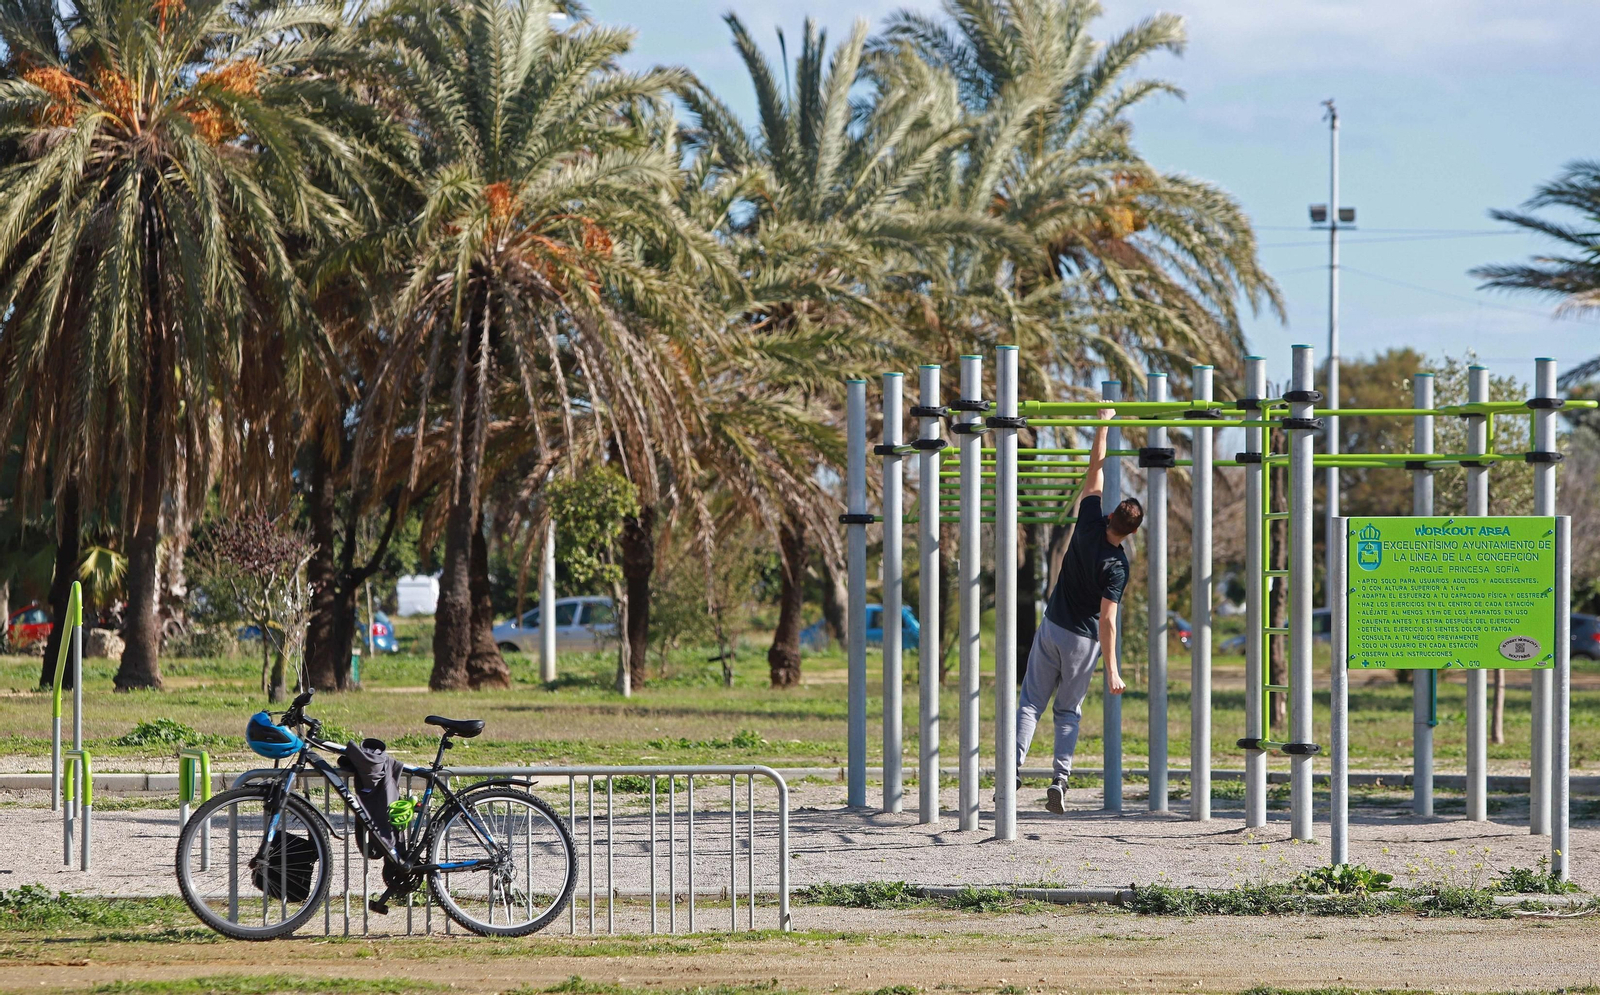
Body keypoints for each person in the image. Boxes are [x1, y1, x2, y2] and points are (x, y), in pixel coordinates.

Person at [1016, 407, 1144, 814]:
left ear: (1110, 514)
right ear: (1131, 533)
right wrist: (1112, 669)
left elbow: (1096, 469)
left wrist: (1103, 422)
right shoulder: (1118, 566)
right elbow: (1107, 620)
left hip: (1053, 626)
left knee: (1030, 704)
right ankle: (1060, 778)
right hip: (1083, 642)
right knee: (1067, 710)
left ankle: (1013, 769)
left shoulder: (1089, 521)